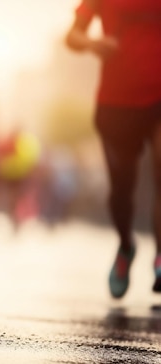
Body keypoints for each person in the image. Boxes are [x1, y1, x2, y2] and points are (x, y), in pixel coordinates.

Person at [66, 0, 161, 298]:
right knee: (122, 189)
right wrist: (94, 43)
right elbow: (72, 36)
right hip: (117, 103)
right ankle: (125, 246)